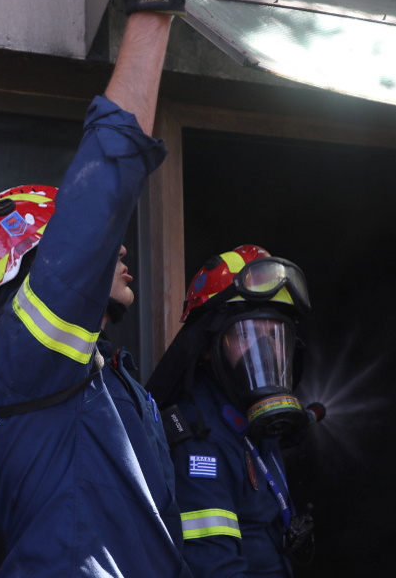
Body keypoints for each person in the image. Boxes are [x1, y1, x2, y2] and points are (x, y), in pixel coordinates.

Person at [0, 0, 199, 575]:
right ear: (33, 269)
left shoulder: (91, 377)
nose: (115, 248)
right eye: (66, 246)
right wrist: (151, 12)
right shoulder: (21, 356)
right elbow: (100, 198)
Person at [146, 245, 320, 578]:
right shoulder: (199, 439)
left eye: (275, 334)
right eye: (250, 333)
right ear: (209, 348)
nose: (266, 349)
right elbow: (215, 568)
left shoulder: (253, 424)